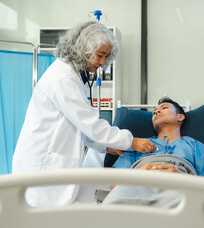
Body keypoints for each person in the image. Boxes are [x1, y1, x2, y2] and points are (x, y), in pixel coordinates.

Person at [12, 21, 156, 207]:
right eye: (100, 55)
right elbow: (90, 124)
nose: (103, 62)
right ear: (84, 49)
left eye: (106, 56)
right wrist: (132, 142)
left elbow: (77, 126)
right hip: (43, 164)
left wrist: (105, 146)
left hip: (54, 164)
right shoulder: (64, 76)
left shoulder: (73, 75)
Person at [110, 96, 204, 178]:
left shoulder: (195, 146)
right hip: (140, 190)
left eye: (164, 108)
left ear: (180, 117)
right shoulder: (136, 144)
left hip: (181, 194)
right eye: (154, 112)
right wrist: (138, 174)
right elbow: (115, 188)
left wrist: (183, 178)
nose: (157, 111)